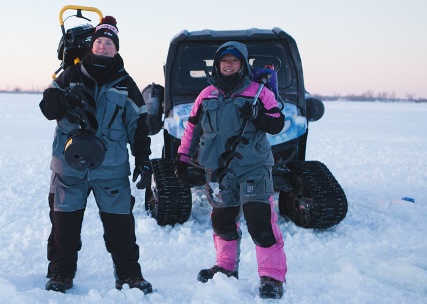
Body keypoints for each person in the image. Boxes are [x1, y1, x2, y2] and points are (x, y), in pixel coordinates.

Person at [39, 16, 154, 294]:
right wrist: (65, 99)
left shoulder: (125, 83)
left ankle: (129, 276)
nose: (103, 47)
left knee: (121, 229)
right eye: (99, 42)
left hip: (111, 168)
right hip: (69, 167)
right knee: (64, 227)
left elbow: (138, 126)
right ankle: (60, 274)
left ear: (116, 49)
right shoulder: (70, 76)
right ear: (92, 46)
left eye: (108, 43)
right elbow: (47, 106)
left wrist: (142, 159)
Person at [174, 41, 288, 299]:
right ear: (217, 65)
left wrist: (258, 115)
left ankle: (271, 277)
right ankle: (225, 268)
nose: (228, 64)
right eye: (224, 60)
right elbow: (192, 128)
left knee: (260, 222)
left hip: (253, 168)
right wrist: (183, 157)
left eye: (234, 61)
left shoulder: (260, 93)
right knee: (222, 221)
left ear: (242, 65)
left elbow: (277, 123)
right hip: (219, 171)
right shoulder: (207, 95)